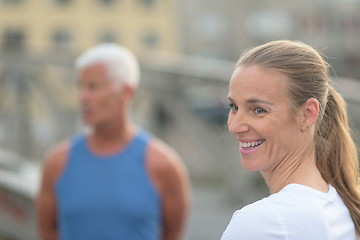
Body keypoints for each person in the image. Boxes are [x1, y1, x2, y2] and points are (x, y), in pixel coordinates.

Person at [36, 43, 191, 240]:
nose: (83, 97)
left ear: (126, 92)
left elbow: (172, 235)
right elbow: (47, 232)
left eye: (94, 87)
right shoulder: (56, 163)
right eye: (80, 86)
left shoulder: (165, 165)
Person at [221, 40, 360, 239]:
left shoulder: (260, 224)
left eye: (259, 110)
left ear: (307, 114)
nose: (234, 126)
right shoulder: (343, 208)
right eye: (233, 107)